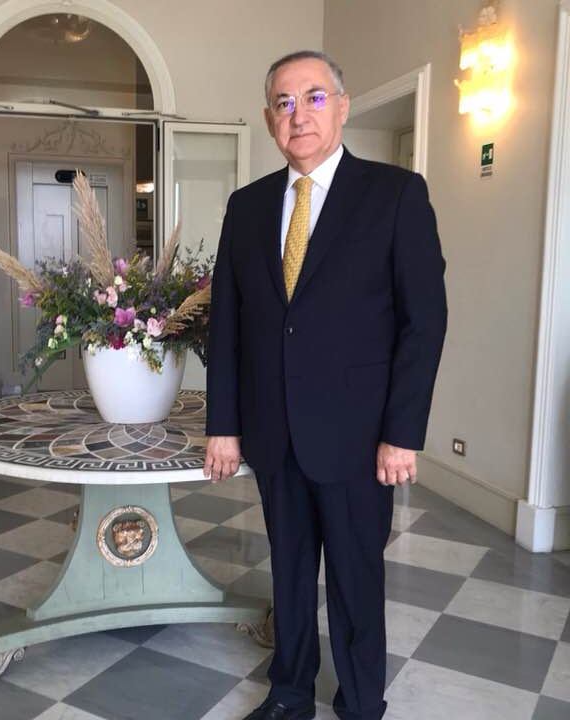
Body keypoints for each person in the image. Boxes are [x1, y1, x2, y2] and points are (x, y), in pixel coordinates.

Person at [204, 50, 447, 720]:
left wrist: (402, 433)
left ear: (342, 107)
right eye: (283, 103)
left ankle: (361, 702)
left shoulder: (395, 196)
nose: (298, 114)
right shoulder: (246, 207)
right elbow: (227, 324)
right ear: (268, 120)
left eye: (314, 97)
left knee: (354, 577)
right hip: (273, 433)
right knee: (288, 573)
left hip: (359, 438)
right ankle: (289, 694)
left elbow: (423, 324)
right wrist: (223, 425)